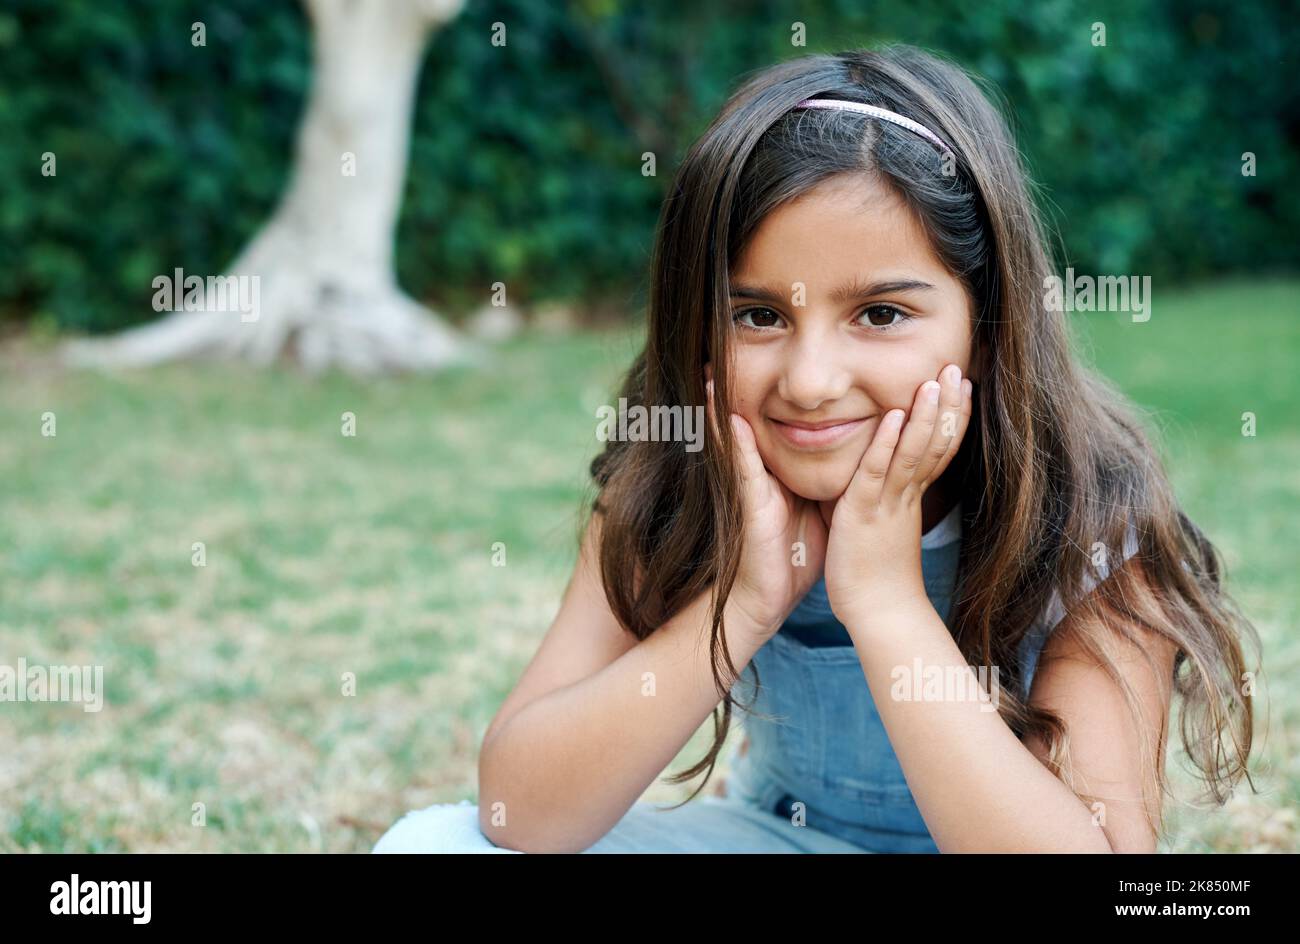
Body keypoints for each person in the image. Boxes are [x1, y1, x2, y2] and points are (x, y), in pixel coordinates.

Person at [374, 44, 1258, 854]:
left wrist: (883, 600)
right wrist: (744, 603)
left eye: (880, 314)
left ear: (990, 330)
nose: (809, 380)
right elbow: (515, 814)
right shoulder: (678, 484)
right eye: (759, 315)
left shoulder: (1089, 514)